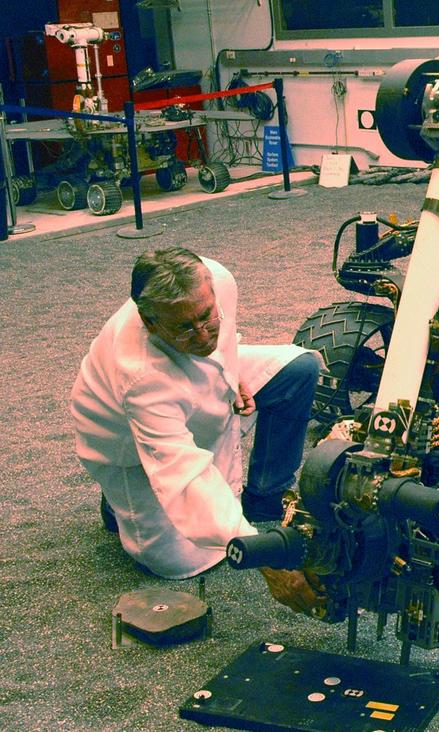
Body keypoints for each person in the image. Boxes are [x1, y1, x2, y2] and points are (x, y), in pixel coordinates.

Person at [71, 246, 324, 614]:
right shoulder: (141, 376)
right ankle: (117, 503)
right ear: (151, 322)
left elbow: (221, 341)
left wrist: (230, 371)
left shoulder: (217, 277)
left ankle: (265, 496)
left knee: (297, 369)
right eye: (185, 327)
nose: (204, 334)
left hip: (189, 394)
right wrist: (264, 558)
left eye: (207, 316)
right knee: (179, 562)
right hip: (125, 439)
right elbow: (184, 474)